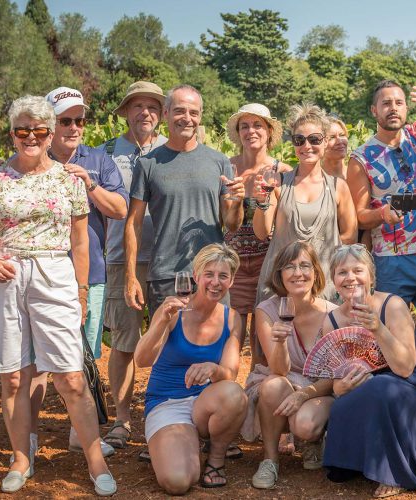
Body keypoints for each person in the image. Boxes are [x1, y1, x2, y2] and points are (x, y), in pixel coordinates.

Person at [0, 96, 115, 495]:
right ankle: (21, 458)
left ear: (50, 134)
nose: (30, 137)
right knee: (14, 377)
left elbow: (81, 241)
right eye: (22, 130)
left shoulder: (70, 180)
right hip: (4, 274)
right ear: (12, 134)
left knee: (69, 374)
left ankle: (95, 460)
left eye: (39, 131)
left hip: (54, 272)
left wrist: (83, 290)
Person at [346, 80, 416, 435]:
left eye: (398, 102)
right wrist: (383, 214)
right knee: (394, 336)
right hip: (390, 258)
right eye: (385, 103)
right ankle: (401, 404)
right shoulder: (360, 158)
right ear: (374, 111)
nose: (393, 107)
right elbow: (358, 215)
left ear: (406, 109)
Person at [321, 245, 416, 498]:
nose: (351, 278)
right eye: (342, 272)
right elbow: (336, 385)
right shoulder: (332, 321)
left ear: (370, 275)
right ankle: (358, 464)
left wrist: (378, 329)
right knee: (339, 406)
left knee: (381, 388)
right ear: (334, 281)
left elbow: (405, 368)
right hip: (374, 389)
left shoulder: (392, 305)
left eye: (358, 270)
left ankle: (395, 473)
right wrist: (343, 386)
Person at [43, 86, 128, 456]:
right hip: (40, 269)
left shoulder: (98, 160)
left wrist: (89, 184)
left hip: (88, 273)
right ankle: (27, 437)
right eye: (65, 120)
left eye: (80, 119)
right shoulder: (31, 158)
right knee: (35, 359)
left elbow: (120, 210)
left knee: (85, 353)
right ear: (50, 123)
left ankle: (82, 433)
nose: (74, 126)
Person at [134, 244, 247, 494]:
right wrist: (161, 321)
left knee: (234, 394)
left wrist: (212, 369)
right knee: (178, 482)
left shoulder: (232, 318)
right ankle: (175, 446)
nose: (215, 282)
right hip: (168, 402)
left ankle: (216, 460)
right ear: (196, 276)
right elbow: (141, 360)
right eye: (209, 274)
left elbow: (229, 373)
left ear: (232, 280)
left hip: (204, 405)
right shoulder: (173, 311)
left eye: (223, 276)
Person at [124, 84, 244, 317]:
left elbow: (231, 224)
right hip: (166, 276)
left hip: (213, 273)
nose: (187, 118)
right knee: (168, 349)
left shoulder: (219, 162)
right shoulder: (148, 164)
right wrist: (130, 277)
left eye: (193, 113)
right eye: (180, 111)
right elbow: (133, 223)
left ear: (200, 117)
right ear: (166, 113)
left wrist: (238, 201)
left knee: (215, 347)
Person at [99, 81, 168, 451]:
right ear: (125, 112)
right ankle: (122, 420)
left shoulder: (172, 151)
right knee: (124, 342)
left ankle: (162, 415)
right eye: (137, 106)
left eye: (153, 107)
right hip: (119, 260)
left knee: (167, 341)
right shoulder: (105, 152)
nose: (145, 112)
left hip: (167, 261)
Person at [243, 241, 337, 489]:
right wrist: (281, 342)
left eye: (305, 265)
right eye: (290, 267)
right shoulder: (268, 310)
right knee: (273, 385)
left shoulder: (334, 314)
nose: (298, 273)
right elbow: (279, 370)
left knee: (305, 425)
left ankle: (313, 440)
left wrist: (304, 395)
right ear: (279, 275)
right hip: (282, 384)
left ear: (315, 272)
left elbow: (336, 376)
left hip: (321, 389)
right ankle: (270, 460)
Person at [253, 103, 357, 303]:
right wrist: (262, 201)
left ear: (325, 141)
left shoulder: (338, 187)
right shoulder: (279, 183)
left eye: (314, 139)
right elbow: (261, 232)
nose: (307, 146)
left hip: (323, 285)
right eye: (299, 140)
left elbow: (349, 237)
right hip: (281, 285)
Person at [224, 103, 293, 369]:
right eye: (245, 126)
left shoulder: (283, 172)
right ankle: (230, 398)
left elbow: (287, 221)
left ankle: (257, 398)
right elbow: (228, 225)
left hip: (269, 262)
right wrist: (237, 201)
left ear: (269, 131)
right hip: (235, 264)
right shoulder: (228, 168)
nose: (251, 131)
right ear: (238, 133)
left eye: (257, 125)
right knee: (232, 335)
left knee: (263, 341)